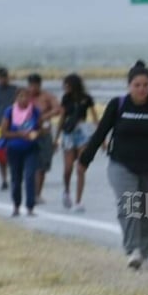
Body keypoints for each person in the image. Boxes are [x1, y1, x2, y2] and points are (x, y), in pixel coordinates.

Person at [78, 60, 148, 270]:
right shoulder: (118, 105)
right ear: (129, 86)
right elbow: (100, 133)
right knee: (130, 205)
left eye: (145, 85)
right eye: (137, 85)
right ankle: (133, 249)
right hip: (121, 164)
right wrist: (85, 160)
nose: (142, 89)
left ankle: (144, 253)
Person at [55, 73, 98, 212]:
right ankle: (66, 191)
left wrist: (100, 138)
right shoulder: (65, 99)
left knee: (81, 168)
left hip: (83, 133)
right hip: (68, 134)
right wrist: (56, 137)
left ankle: (78, 201)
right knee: (68, 168)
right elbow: (62, 117)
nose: (65, 87)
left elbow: (94, 117)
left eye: (67, 85)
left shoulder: (87, 99)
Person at [1, 88, 44, 217]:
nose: (23, 99)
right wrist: (18, 134)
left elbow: (42, 128)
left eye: (26, 97)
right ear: (16, 98)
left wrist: (37, 133)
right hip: (14, 149)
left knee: (30, 176)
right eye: (20, 97)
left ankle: (30, 206)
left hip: (31, 148)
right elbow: (4, 132)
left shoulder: (34, 111)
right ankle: (16, 205)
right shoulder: (10, 112)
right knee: (16, 178)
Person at [27, 73, 61, 204]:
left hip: (44, 134)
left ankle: (37, 194)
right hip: (29, 133)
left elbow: (57, 109)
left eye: (35, 86)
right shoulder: (25, 97)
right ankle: (30, 192)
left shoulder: (47, 96)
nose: (32, 88)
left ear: (39, 85)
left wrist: (44, 116)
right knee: (30, 164)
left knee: (42, 166)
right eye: (30, 86)